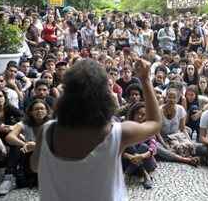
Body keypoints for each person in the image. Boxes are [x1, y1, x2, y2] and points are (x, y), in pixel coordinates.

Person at [30, 58, 162, 201]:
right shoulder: (118, 133)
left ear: (66, 94)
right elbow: (154, 122)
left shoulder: (46, 131)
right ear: (105, 95)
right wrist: (145, 79)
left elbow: (35, 166)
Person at [1, 99, 52, 194]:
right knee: (15, 146)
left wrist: (36, 146)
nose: (39, 111)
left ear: (47, 111)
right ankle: (8, 177)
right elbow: (9, 137)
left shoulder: (52, 124)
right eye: (36, 109)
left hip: (46, 157)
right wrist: (25, 144)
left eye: (42, 108)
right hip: (30, 157)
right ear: (31, 112)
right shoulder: (24, 123)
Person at [122, 102, 157, 189]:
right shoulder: (125, 127)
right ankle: (145, 174)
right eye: (138, 113)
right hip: (128, 161)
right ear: (133, 113)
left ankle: (126, 175)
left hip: (146, 161)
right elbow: (118, 149)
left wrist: (142, 156)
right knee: (130, 146)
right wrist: (130, 157)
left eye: (143, 114)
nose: (140, 116)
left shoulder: (148, 128)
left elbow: (153, 147)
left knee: (144, 147)